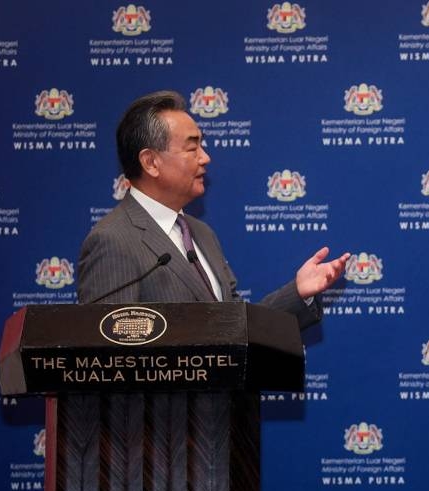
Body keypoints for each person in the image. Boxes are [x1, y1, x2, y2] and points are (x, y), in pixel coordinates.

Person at [78, 90, 349, 327]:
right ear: (151, 162)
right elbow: (110, 360)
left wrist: (298, 292)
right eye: (192, 147)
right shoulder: (113, 240)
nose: (205, 158)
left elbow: (233, 327)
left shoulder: (200, 232)